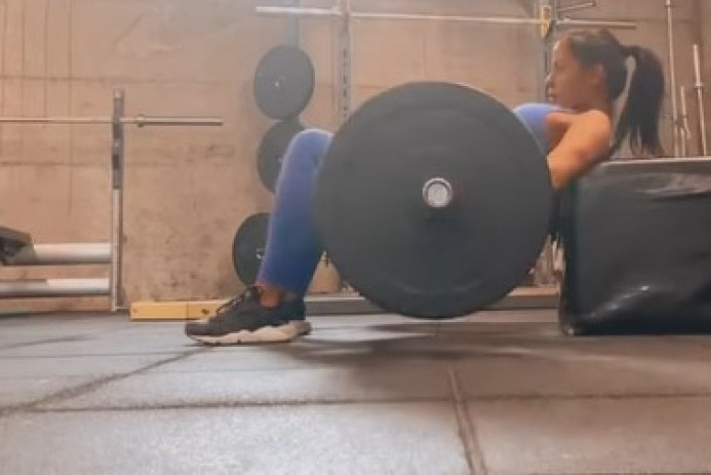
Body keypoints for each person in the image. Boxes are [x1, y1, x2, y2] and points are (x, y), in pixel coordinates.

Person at [186, 28, 665, 345]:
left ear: (595, 75)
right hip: (433, 192)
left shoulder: (593, 122)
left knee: (310, 147)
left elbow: (549, 176)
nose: (549, 78)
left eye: (559, 67)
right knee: (316, 151)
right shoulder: (565, 116)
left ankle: (274, 301)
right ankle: (278, 300)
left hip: (453, 216)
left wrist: (478, 194)